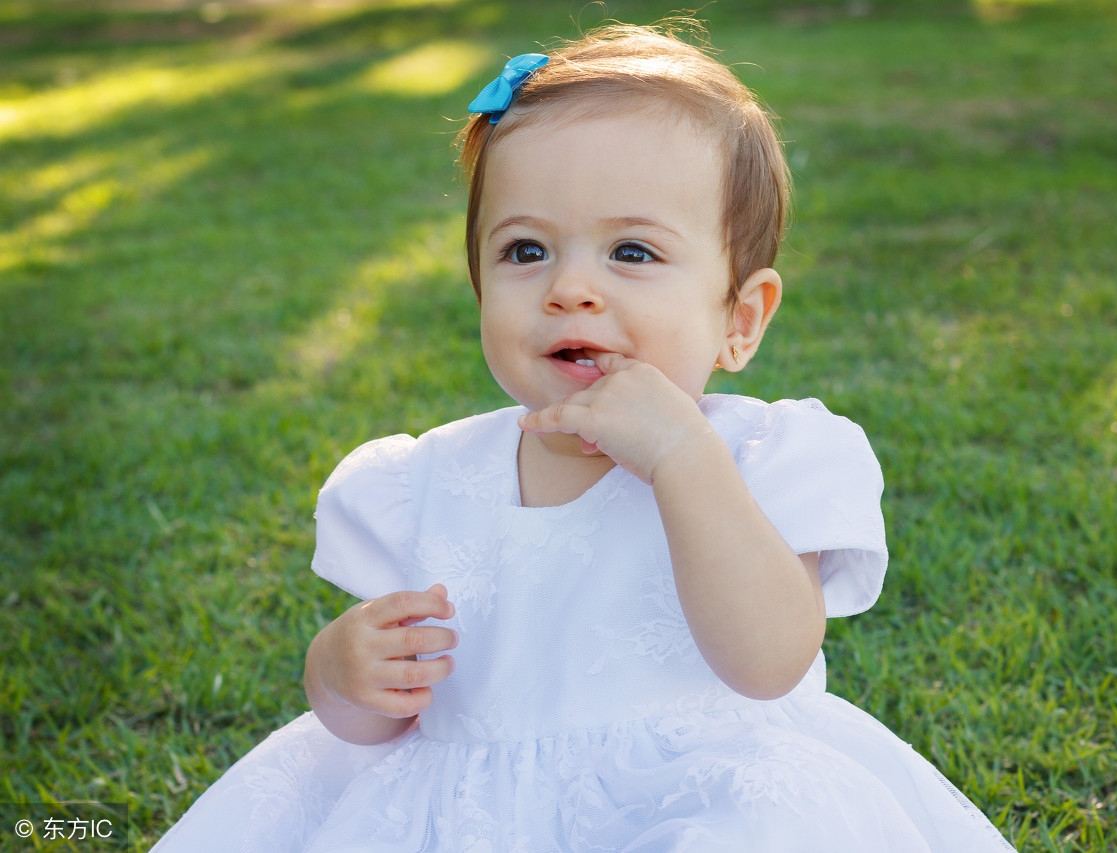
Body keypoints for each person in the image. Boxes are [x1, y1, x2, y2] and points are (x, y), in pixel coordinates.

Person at [152, 22, 1016, 852]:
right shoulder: (428, 478)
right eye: (525, 251)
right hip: (471, 812)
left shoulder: (758, 456)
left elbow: (769, 663)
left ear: (740, 319)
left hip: (700, 793)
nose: (569, 288)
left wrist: (681, 457)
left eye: (631, 253)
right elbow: (382, 722)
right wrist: (343, 673)